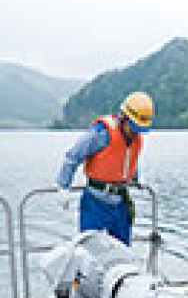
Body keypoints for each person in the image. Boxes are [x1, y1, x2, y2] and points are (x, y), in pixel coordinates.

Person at [56, 91, 154, 246]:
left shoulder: (135, 137)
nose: (136, 132)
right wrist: (63, 186)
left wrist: (136, 178)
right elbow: (73, 156)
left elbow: (128, 158)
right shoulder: (101, 133)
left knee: (122, 252)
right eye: (133, 126)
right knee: (90, 252)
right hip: (96, 203)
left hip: (120, 203)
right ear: (123, 117)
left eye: (139, 128)